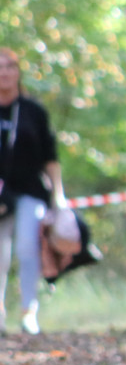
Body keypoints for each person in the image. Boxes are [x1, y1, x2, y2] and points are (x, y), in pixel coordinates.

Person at [0, 47, 68, 335]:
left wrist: (59, 196)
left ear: (18, 72)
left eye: (10, 67)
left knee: (28, 247)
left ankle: (29, 310)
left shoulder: (34, 111)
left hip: (30, 190)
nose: (4, 72)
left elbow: (50, 157)